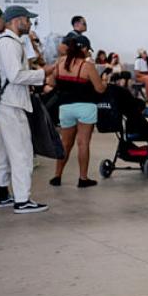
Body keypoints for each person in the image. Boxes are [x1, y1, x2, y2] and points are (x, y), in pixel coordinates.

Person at [0, 6, 49, 213]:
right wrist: (41, 74)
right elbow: (15, 76)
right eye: (27, 19)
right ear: (16, 21)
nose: (30, 23)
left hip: (5, 103)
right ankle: (22, 200)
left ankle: (2, 194)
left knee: (4, 153)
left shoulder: (8, 43)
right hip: (12, 104)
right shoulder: (9, 44)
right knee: (22, 154)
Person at [48, 34, 106, 187]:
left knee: (65, 144)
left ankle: (57, 176)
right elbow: (99, 89)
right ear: (85, 49)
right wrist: (105, 83)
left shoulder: (60, 63)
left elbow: (51, 82)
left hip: (65, 108)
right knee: (83, 143)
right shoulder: (87, 66)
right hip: (86, 107)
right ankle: (83, 178)